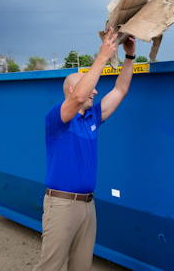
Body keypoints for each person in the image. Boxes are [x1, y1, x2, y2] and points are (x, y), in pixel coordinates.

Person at [33, 28, 136, 271]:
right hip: (61, 206)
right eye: (89, 86)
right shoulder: (56, 120)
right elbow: (79, 98)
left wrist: (129, 57)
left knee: (81, 267)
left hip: (88, 206)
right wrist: (102, 57)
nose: (95, 90)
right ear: (72, 90)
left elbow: (120, 90)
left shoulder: (92, 117)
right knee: (50, 266)